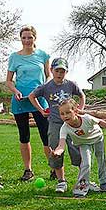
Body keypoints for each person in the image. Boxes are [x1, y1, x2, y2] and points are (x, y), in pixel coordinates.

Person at [29, 57, 86, 193]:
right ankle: (61, 181)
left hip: (71, 123)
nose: (60, 74)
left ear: (66, 72)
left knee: (76, 149)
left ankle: (83, 179)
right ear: (51, 70)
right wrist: (41, 110)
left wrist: (80, 110)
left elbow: (82, 95)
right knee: (55, 151)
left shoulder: (71, 85)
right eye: (57, 70)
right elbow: (32, 96)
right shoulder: (46, 87)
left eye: (62, 71)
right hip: (55, 123)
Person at [51, 98, 106, 197]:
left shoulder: (86, 118)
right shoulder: (64, 128)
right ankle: (81, 189)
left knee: (101, 159)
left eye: (68, 112)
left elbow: (101, 122)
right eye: (62, 114)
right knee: (86, 164)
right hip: (83, 143)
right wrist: (57, 152)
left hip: (97, 138)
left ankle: (103, 181)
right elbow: (61, 145)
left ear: (76, 111)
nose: (65, 116)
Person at [6, 25, 51, 181]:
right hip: (21, 101)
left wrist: (43, 88)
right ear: (21, 39)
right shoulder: (14, 57)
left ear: (35, 38)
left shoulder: (43, 55)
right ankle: (28, 170)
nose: (26, 40)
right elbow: (9, 81)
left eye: (29, 37)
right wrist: (16, 91)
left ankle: (54, 167)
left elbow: (49, 76)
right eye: (24, 37)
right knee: (24, 136)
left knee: (46, 135)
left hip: (39, 99)